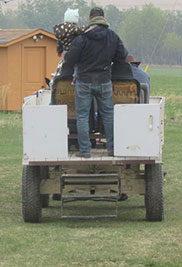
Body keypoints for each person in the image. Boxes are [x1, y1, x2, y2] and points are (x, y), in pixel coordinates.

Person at [62, 7, 128, 158]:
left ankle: (85, 151)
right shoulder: (113, 37)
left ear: (90, 18)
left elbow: (70, 59)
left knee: (83, 116)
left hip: (84, 81)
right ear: (104, 18)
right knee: (109, 116)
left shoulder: (82, 37)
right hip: (104, 81)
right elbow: (122, 57)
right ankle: (112, 149)